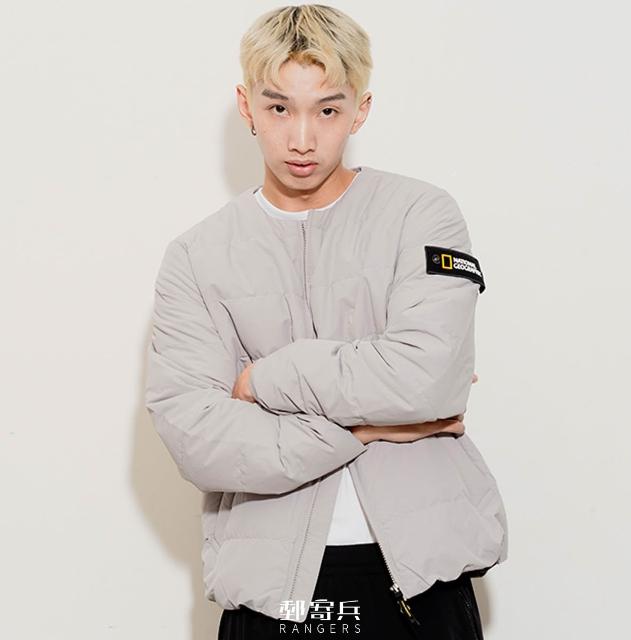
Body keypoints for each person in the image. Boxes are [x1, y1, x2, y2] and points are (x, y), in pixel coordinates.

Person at [144, 5, 508, 639]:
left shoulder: (422, 214)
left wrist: (265, 380)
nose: (302, 139)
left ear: (361, 110)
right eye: (279, 108)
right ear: (246, 106)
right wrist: (366, 428)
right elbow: (196, 435)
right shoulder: (197, 256)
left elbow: (428, 377)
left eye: (328, 110)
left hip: (422, 584)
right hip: (272, 598)